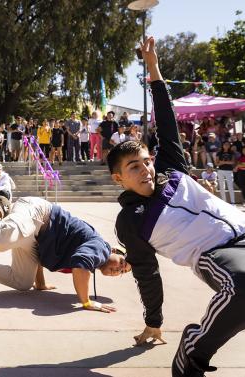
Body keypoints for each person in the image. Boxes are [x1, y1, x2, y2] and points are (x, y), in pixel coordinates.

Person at [107, 37, 245, 377]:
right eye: (133, 168)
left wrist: (153, 69)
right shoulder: (132, 220)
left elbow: (166, 118)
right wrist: (154, 322)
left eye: (145, 162)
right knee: (243, 287)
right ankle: (193, 351)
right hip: (215, 254)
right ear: (118, 179)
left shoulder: (173, 168)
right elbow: (146, 272)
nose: (145, 170)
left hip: (243, 231)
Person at [0, 180, 128, 312]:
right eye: (122, 262)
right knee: (0, 240)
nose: (118, 269)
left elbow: (46, 253)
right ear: (115, 250)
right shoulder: (101, 249)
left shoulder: (95, 257)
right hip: (38, 214)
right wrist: (85, 302)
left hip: (35, 237)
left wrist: (40, 284)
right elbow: (80, 264)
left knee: (22, 282)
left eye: (122, 272)